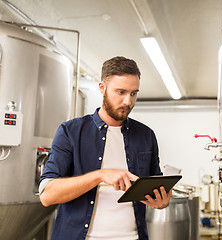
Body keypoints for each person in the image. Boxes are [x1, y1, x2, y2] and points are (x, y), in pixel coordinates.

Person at [39, 56, 172, 240]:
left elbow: (155, 188)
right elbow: (47, 195)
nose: (128, 101)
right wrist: (100, 175)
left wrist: (161, 202)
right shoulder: (70, 132)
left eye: (134, 93)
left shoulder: (146, 135)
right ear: (102, 88)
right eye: (121, 92)